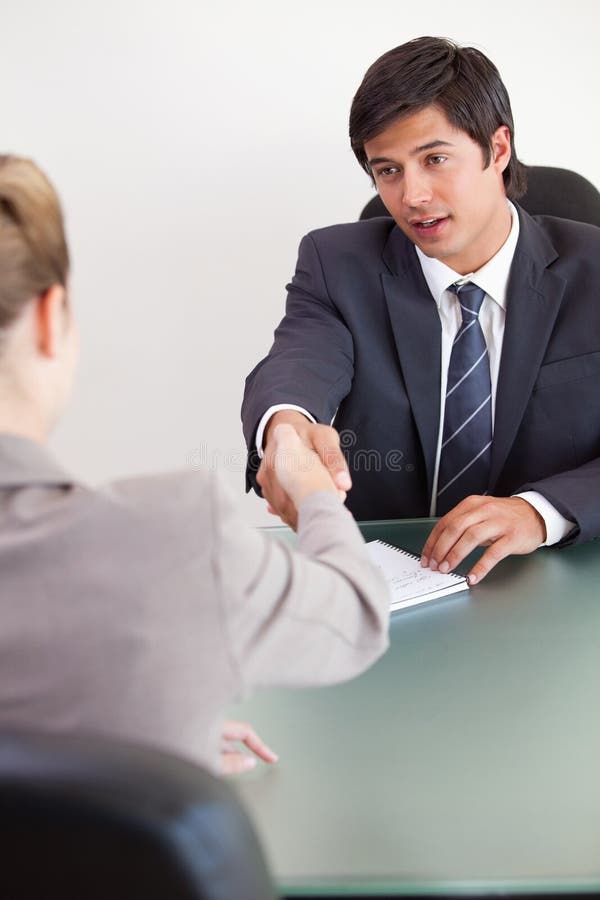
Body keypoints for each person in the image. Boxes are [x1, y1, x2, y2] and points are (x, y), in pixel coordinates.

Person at [0, 154, 389, 775]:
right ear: (51, 319)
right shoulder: (166, 537)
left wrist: (136, 722)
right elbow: (358, 620)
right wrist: (315, 491)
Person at [242, 36, 600, 586]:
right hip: (394, 584)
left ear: (498, 149)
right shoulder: (336, 264)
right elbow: (299, 359)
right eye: (388, 170)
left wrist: (540, 511)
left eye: (435, 159)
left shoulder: (595, 271)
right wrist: (287, 428)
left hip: (557, 576)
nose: (412, 196)